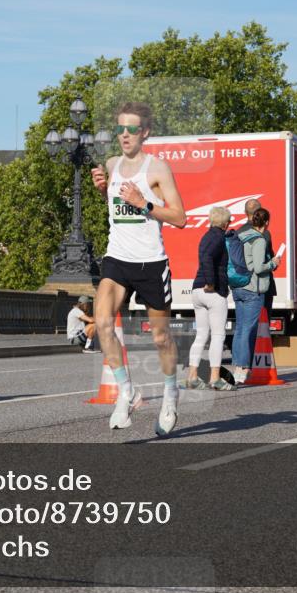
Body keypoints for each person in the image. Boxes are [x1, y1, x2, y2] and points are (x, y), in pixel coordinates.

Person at [90, 101, 187, 436]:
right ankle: (126, 391)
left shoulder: (157, 169)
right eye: (120, 128)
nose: (125, 135)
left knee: (161, 337)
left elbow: (180, 218)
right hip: (117, 258)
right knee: (102, 321)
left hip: (151, 263)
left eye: (132, 129)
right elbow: (117, 209)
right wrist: (105, 191)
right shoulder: (113, 164)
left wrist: (143, 203)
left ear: (145, 132)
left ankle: (171, 395)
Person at [185, 206, 234, 391]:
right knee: (218, 335)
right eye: (228, 221)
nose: (229, 224)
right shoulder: (218, 238)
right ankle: (215, 378)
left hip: (197, 291)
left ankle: (192, 376)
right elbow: (207, 258)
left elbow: (205, 256)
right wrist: (212, 283)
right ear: (224, 222)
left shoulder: (206, 236)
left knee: (202, 334)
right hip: (212, 291)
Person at [231, 208, 281, 384]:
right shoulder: (259, 240)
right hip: (253, 289)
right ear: (266, 222)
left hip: (238, 287)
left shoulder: (243, 236)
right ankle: (243, 368)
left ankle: (237, 367)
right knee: (248, 330)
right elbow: (259, 268)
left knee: (240, 329)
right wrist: (273, 263)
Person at [236, 198, 277, 312]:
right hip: (259, 286)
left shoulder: (239, 233)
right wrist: (274, 263)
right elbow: (266, 260)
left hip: (241, 284)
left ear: (245, 212)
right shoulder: (263, 234)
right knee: (260, 325)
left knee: (243, 323)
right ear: (260, 213)